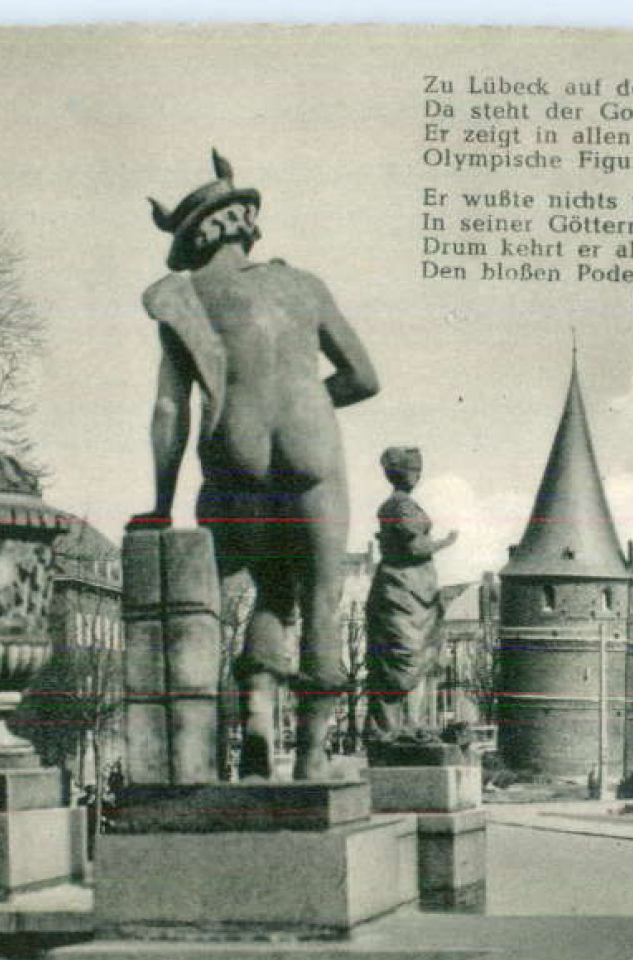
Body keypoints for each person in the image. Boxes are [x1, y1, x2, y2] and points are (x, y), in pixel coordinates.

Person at [133, 151, 379, 781]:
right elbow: (363, 377)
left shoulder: (182, 299)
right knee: (317, 601)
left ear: (190, 241)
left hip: (232, 451)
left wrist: (161, 504)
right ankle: (314, 759)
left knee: (262, 593)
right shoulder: (303, 285)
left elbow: (170, 410)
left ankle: (256, 727)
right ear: (246, 224)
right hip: (311, 440)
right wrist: (308, 405)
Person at [364, 447, 457, 736]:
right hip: (401, 589)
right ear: (404, 474)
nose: (418, 475)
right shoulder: (397, 507)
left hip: (415, 590)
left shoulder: (403, 505)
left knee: (415, 655)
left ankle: (411, 725)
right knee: (402, 655)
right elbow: (414, 547)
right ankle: (392, 728)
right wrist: (444, 543)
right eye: (414, 470)